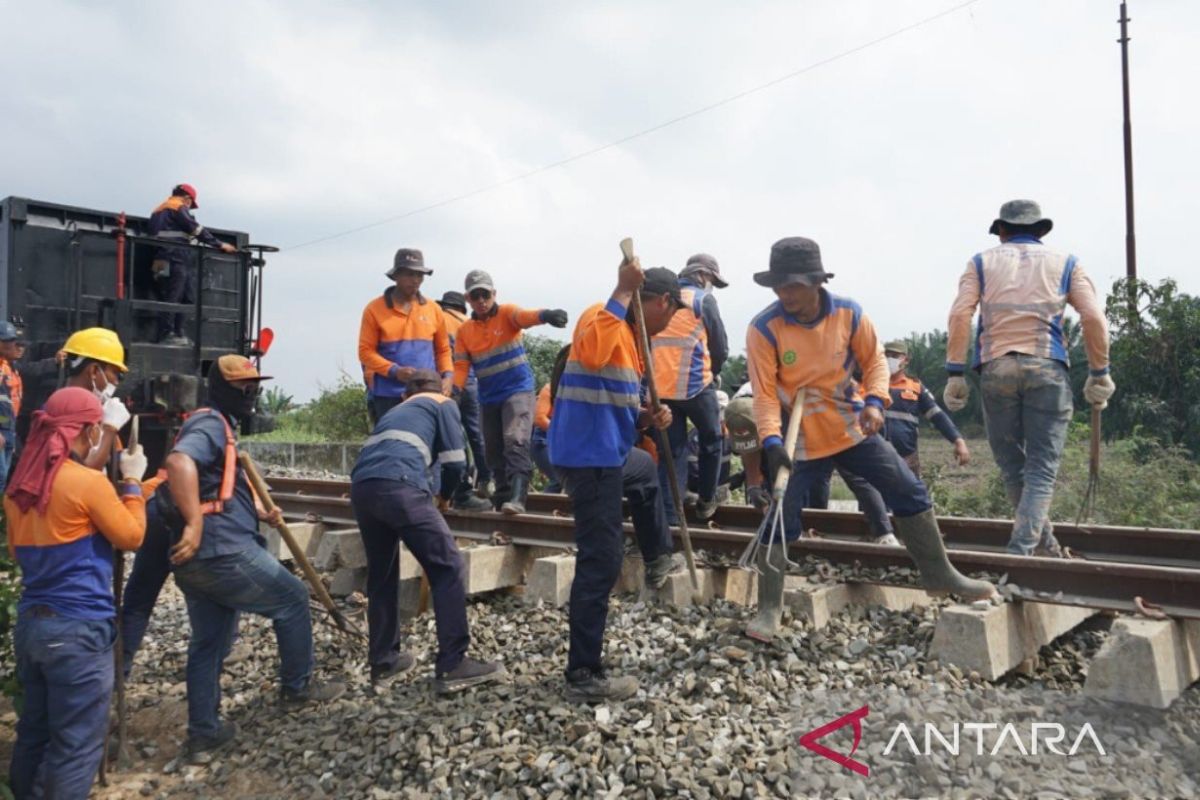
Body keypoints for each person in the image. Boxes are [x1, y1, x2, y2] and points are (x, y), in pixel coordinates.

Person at [746, 236, 995, 641]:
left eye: (792, 285)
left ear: (815, 282)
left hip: (851, 427)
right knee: (779, 517)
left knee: (908, 489)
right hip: (801, 436)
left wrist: (876, 402)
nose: (784, 293)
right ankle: (769, 607)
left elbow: (874, 362)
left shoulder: (848, 313)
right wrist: (772, 443)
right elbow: (764, 394)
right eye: (778, 286)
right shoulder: (764, 328)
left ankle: (940, 574)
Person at [164, 355, 345, 757]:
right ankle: (297, 689)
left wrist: (256, 511)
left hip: (199, 560)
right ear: (223, 388)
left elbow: (216, 485)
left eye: (254, 387)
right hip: (221, 550)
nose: (251, 394)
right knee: (293, 599)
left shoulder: (218, 424)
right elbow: (179, 463)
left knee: (209, 642)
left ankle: (203, 734)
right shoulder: (210, 421)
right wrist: (194, 523)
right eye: (244, 388)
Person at [945, 200, 1113, 556]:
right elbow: (1094, 318)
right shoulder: (1067, 263)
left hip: (997, 368)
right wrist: (1100, 372)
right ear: (1040, 231)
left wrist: (955, 373)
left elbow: (960, 314)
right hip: (1047, 368)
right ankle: (1022, 552)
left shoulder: (981, 262)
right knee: (1041, 467)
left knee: (1013, 466)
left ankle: (1045, 547)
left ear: (1002, 231)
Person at [5, 387, 149, 799]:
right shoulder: (86, 483)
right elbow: (132, 536)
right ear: (87, 431)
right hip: (78, 632)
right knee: (76, 746)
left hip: (32, 628)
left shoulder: (20, 487)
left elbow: (18, 550)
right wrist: (134, 483)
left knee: (34, 735)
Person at [548, 260, 681, 702]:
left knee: (643, 469)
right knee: (600, 560)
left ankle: (658, 553)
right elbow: (593, 352)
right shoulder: (601, 318)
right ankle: (583, 674)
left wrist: (648, 416)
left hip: (608, 453)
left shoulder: (632, 342)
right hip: (589, 460)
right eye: (671, 312)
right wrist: (622, 290)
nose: (668, 324)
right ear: (661, 302)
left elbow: (611, 399)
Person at [350, 368, 506, 692]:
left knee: (382, 574)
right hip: (402, 485)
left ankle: (384, 661)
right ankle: (453, 664)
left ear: (405, 395)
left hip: (363, 487)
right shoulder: (442, 403)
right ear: (443, 391)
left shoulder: (395, 412)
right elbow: (455, 463)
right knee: (448, 565)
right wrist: (446, 496)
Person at [452, 269, 568, 514]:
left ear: (494, 294)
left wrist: (546, 315)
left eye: (485, 294)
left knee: (515, 439)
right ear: (468, 299)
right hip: (489, 396)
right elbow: (461, 366)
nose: (482, 301)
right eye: (476, 296)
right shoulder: (465, 332)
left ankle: (518, 497)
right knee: (492, 448)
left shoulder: (506, 314)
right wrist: (454, 392)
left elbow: (524, 317)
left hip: (517, 390)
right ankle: (503, 498)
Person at [651, 254, 729, 522]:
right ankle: (707, 500)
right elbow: (719, 345)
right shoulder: (703, 299)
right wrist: (714, 371)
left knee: (670, 455)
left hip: (660, 390)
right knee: (712, 440)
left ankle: (671, 517)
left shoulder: (662, 296)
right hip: (696, 384)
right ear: (704, 275)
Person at [358, 248, 454, 423]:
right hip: (388, 395)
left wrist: (448, 376)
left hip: (426, 391)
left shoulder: (434, 309)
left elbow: (443, 350)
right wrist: (395, 371)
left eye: (419, 275)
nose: (415, 280)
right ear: (396, 276)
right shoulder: (374, 309)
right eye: (409, 274)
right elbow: (365, 352)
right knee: (392, 444)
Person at [149, 183, 238, 346]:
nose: (190, 208)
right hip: (175, 256)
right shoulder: (178, 207)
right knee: (179, 296)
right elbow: (195, 229)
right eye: (191, 204)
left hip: (158, 259)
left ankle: (171, 333)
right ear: (187, 198)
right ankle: (171, 333)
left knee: (165, 295)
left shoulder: (157, 210)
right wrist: (219, 244)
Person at [436, 290, 493, 511]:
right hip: (472, 384)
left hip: (450, 384)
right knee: (476, 434)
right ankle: (488, 480)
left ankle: (460, 490)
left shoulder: (440, 318)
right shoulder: (469, 324)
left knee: (453, 436)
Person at [881, 340, 969, 477]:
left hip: (907, 458)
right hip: (876, 456)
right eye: (886, 355)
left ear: (906, 360)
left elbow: (938, 416)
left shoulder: (916, 387)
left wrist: (958, 441)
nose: (889, 359)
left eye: (894, 355)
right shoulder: (870, 385)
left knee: (911, 497)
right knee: (874, 497)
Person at [0, 321, 23, 490]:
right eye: (7, 341)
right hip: (2, 429)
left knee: (3, 477)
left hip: (8, 429)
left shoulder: (9, 367)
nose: (12, 344)